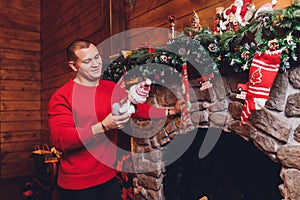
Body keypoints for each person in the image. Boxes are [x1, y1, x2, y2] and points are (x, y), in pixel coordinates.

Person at [48, 39, 180, 200]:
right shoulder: (62, 96)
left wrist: (170, 111)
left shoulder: (111, 88)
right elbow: (60, 138)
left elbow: (136, 109)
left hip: (108, 178)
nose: (96, 64)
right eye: (87, 61)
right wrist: (103, 127)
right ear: (73, 66)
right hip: (77, 185)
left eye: (97, 57)